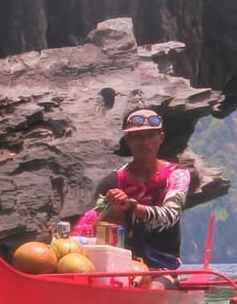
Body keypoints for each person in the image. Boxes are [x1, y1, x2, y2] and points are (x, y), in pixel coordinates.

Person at [73, 108, 191, 287]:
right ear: (127, 139)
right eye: (137, 136)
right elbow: (88, 224)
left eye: (150, 135)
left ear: (161, 137)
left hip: (162, 266)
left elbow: (169, 216)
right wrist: (112, 208)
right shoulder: (112, 181)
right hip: (118, 265)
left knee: (153, 289)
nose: (145, 142)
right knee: (113, 209)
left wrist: (131, 205)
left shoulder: (177, 175)